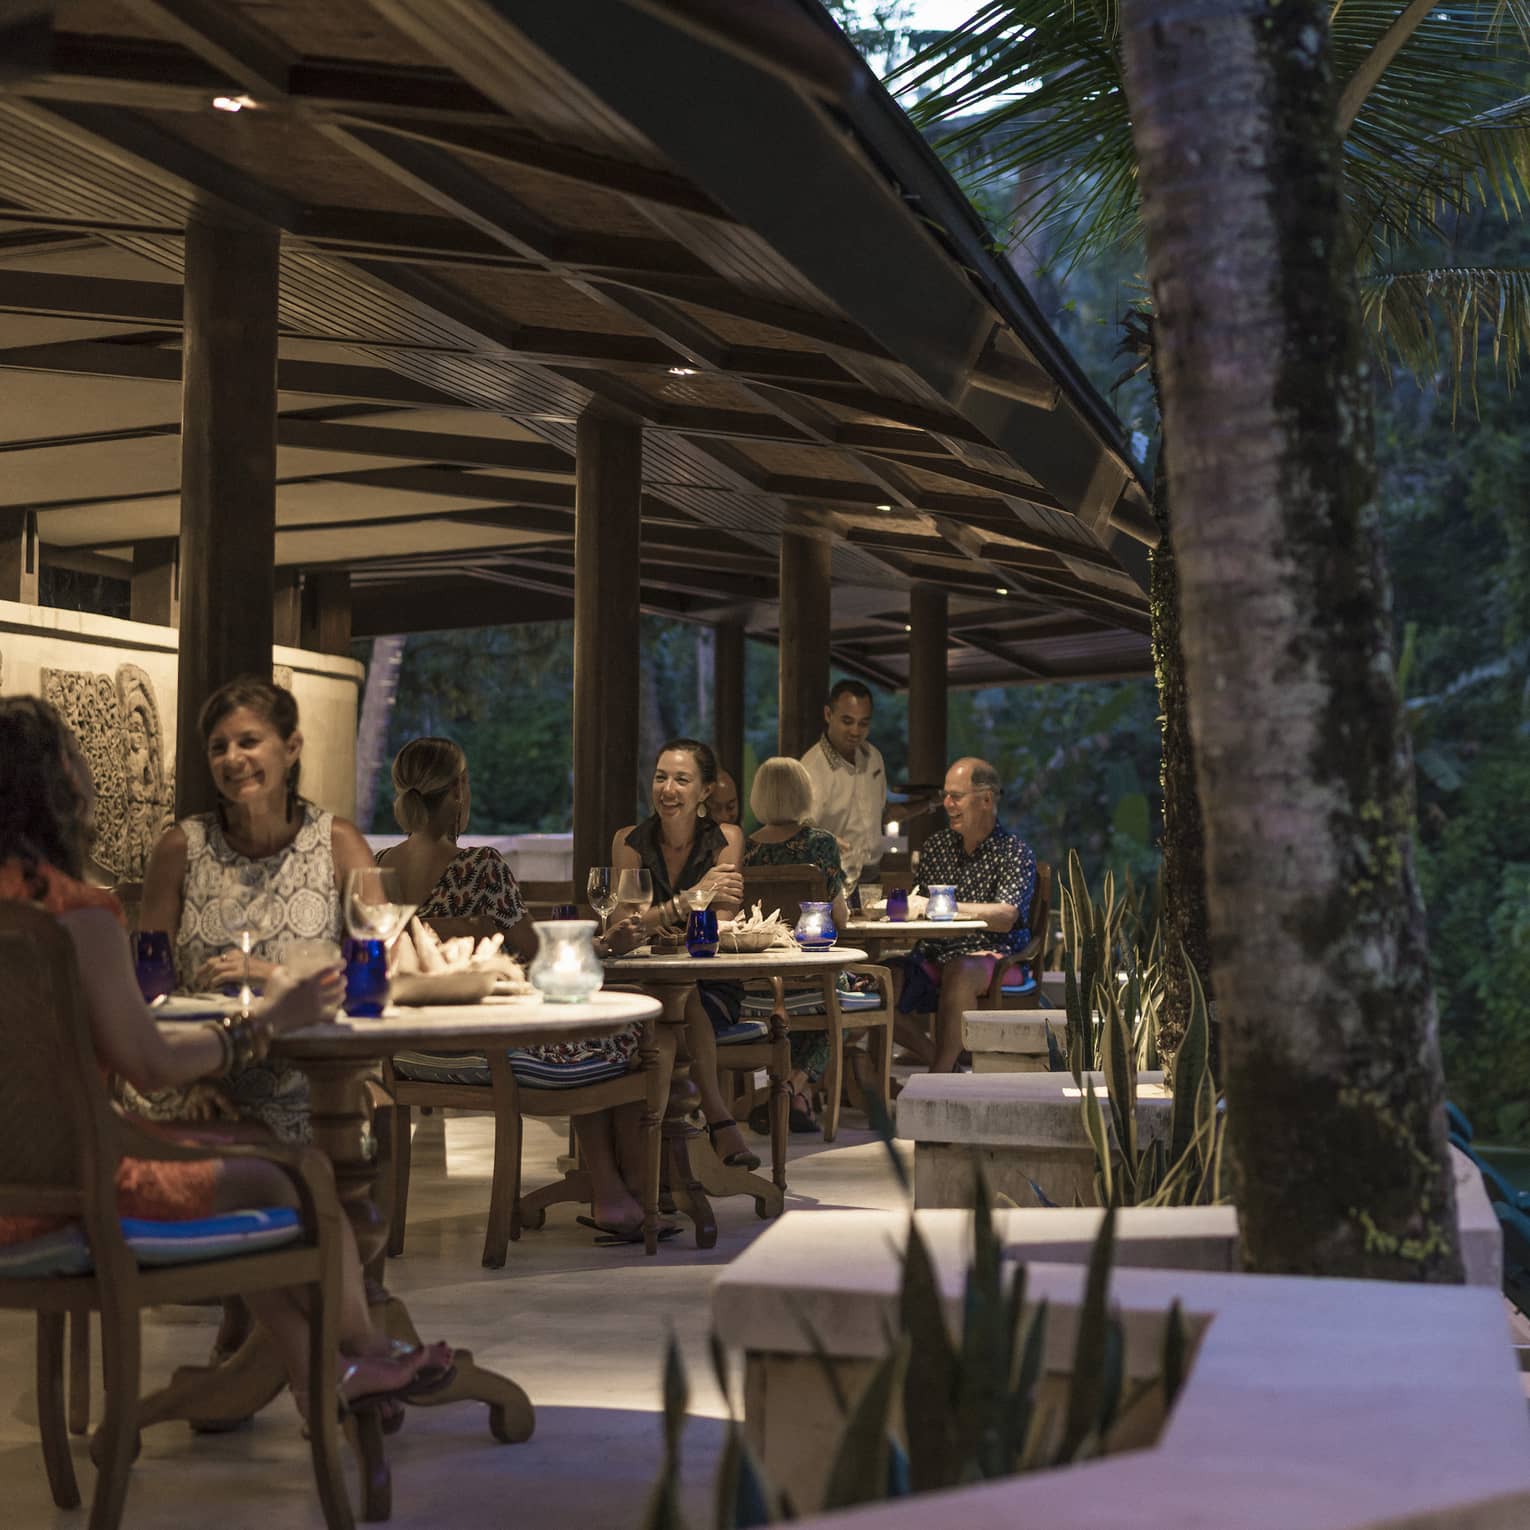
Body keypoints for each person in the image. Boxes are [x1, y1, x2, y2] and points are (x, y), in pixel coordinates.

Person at [0, 696, 453, 1422]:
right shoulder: (79, 915)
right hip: (84, 1188)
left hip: (15, 1189)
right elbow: (147, 1063)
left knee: (264, 1161)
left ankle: (332, 1371)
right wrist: (262, 1025)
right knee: (297, 1177)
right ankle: (360, 1351)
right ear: (59, 789)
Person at [384, 738, 664, 1243]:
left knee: (593, 1036)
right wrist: (606, 943)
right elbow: (544, 956)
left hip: (410, 1052)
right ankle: (626, 1192)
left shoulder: (379, 866)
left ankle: (615, 1189)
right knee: (624, 1038)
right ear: (458, 791)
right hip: (486, 1047)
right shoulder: (481, 867)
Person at [138, 676, 376, 1142]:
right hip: (196, 1083)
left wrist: (274, 976)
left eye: (248, 741)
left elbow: (377, 973)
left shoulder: (338, 844)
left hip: (311, 1087)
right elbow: (147, 989)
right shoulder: (180, 848)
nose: (232, 759)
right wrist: (190, 1081)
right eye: (218, 747)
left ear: (291, 748)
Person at [611, 738, 758, 1170]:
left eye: (681, 779)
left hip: (710, 985)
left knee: (683, 993)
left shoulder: (726, 839)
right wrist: (689, 900)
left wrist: (654, 920)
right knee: (670, 998)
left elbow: (715, 928)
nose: (668, 789)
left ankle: (658, 1156)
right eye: (661, 778)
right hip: (641, 986)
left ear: (705, 791)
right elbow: (621, 929)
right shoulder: (629, 843)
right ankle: (717, 1121)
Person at [898, 757, 1036, 1074]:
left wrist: (945, 905)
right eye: (945, 795)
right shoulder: (937, 847)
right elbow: (919, 905)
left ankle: (939, 1077)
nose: (947, 804)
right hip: (935, 954)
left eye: (956, 796)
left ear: (986, 799)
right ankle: (942, 1065)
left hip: (997, 958)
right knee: (881, 980)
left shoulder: (1014, 851)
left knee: (960, 970)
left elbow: (1006, 915)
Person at [742, 757, 853, 1135]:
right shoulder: (820, 843)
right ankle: (792, 1086)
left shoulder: (745, 849)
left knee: (814, 995)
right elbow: (839, 919)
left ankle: (795, 1096)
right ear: (805, 793)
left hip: (755, 980)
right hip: (810, 972)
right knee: (846, 997)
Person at [799, 680, 886, 894]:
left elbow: (882, 810)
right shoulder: (810, 767)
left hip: (873, 872)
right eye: (847, 721)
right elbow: (801, 827)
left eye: (863, 723)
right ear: (828, 714)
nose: (855, 731)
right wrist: (828, 841)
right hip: (831, 874)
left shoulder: (873, 757)